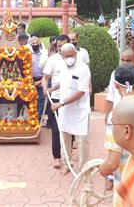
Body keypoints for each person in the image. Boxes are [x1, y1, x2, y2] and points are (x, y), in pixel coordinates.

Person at [51, 43, 91, 175]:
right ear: (62, 56)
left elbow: (80, 92)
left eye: (71, 55)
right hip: (65, 111)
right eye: (66, 56)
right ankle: (67, 163)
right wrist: (52, 89)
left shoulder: (83, 68)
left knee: (82, 140)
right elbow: (62, 81)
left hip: (80, 111)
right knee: (65, 137)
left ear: (75, 54)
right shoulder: (62, 66)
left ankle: (83, 169)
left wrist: (61, 103)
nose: (69, 58)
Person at [42, 34, 70, 169]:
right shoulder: (53, 59)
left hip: (71, 98)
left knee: (70, 129)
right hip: (56, 98)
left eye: (63, 46)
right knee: (56, 129)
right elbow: (45, 77)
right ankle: (57, 157)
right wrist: (45, 88)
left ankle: (68, 155)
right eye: (59, 46)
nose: (61, 49)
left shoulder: (75, 59)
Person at [105, 49, 134, 121]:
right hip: (117, 113)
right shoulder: (115, 74)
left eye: (128, 60)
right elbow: (110, 97)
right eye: (122, 60)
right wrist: (107, 116)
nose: (125, 63)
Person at [28, 33, 48, 120]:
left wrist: (40, 81)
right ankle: (30, 117)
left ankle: (39, 118)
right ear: (30, 44)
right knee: (30, 99)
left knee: (41, 100)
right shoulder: (27, 54)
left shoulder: (45, 54)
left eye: (37, 43)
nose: (35, 45)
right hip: (30, 80)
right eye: (33, 43)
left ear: (40, 43)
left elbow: (48, 69)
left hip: (42, 80)